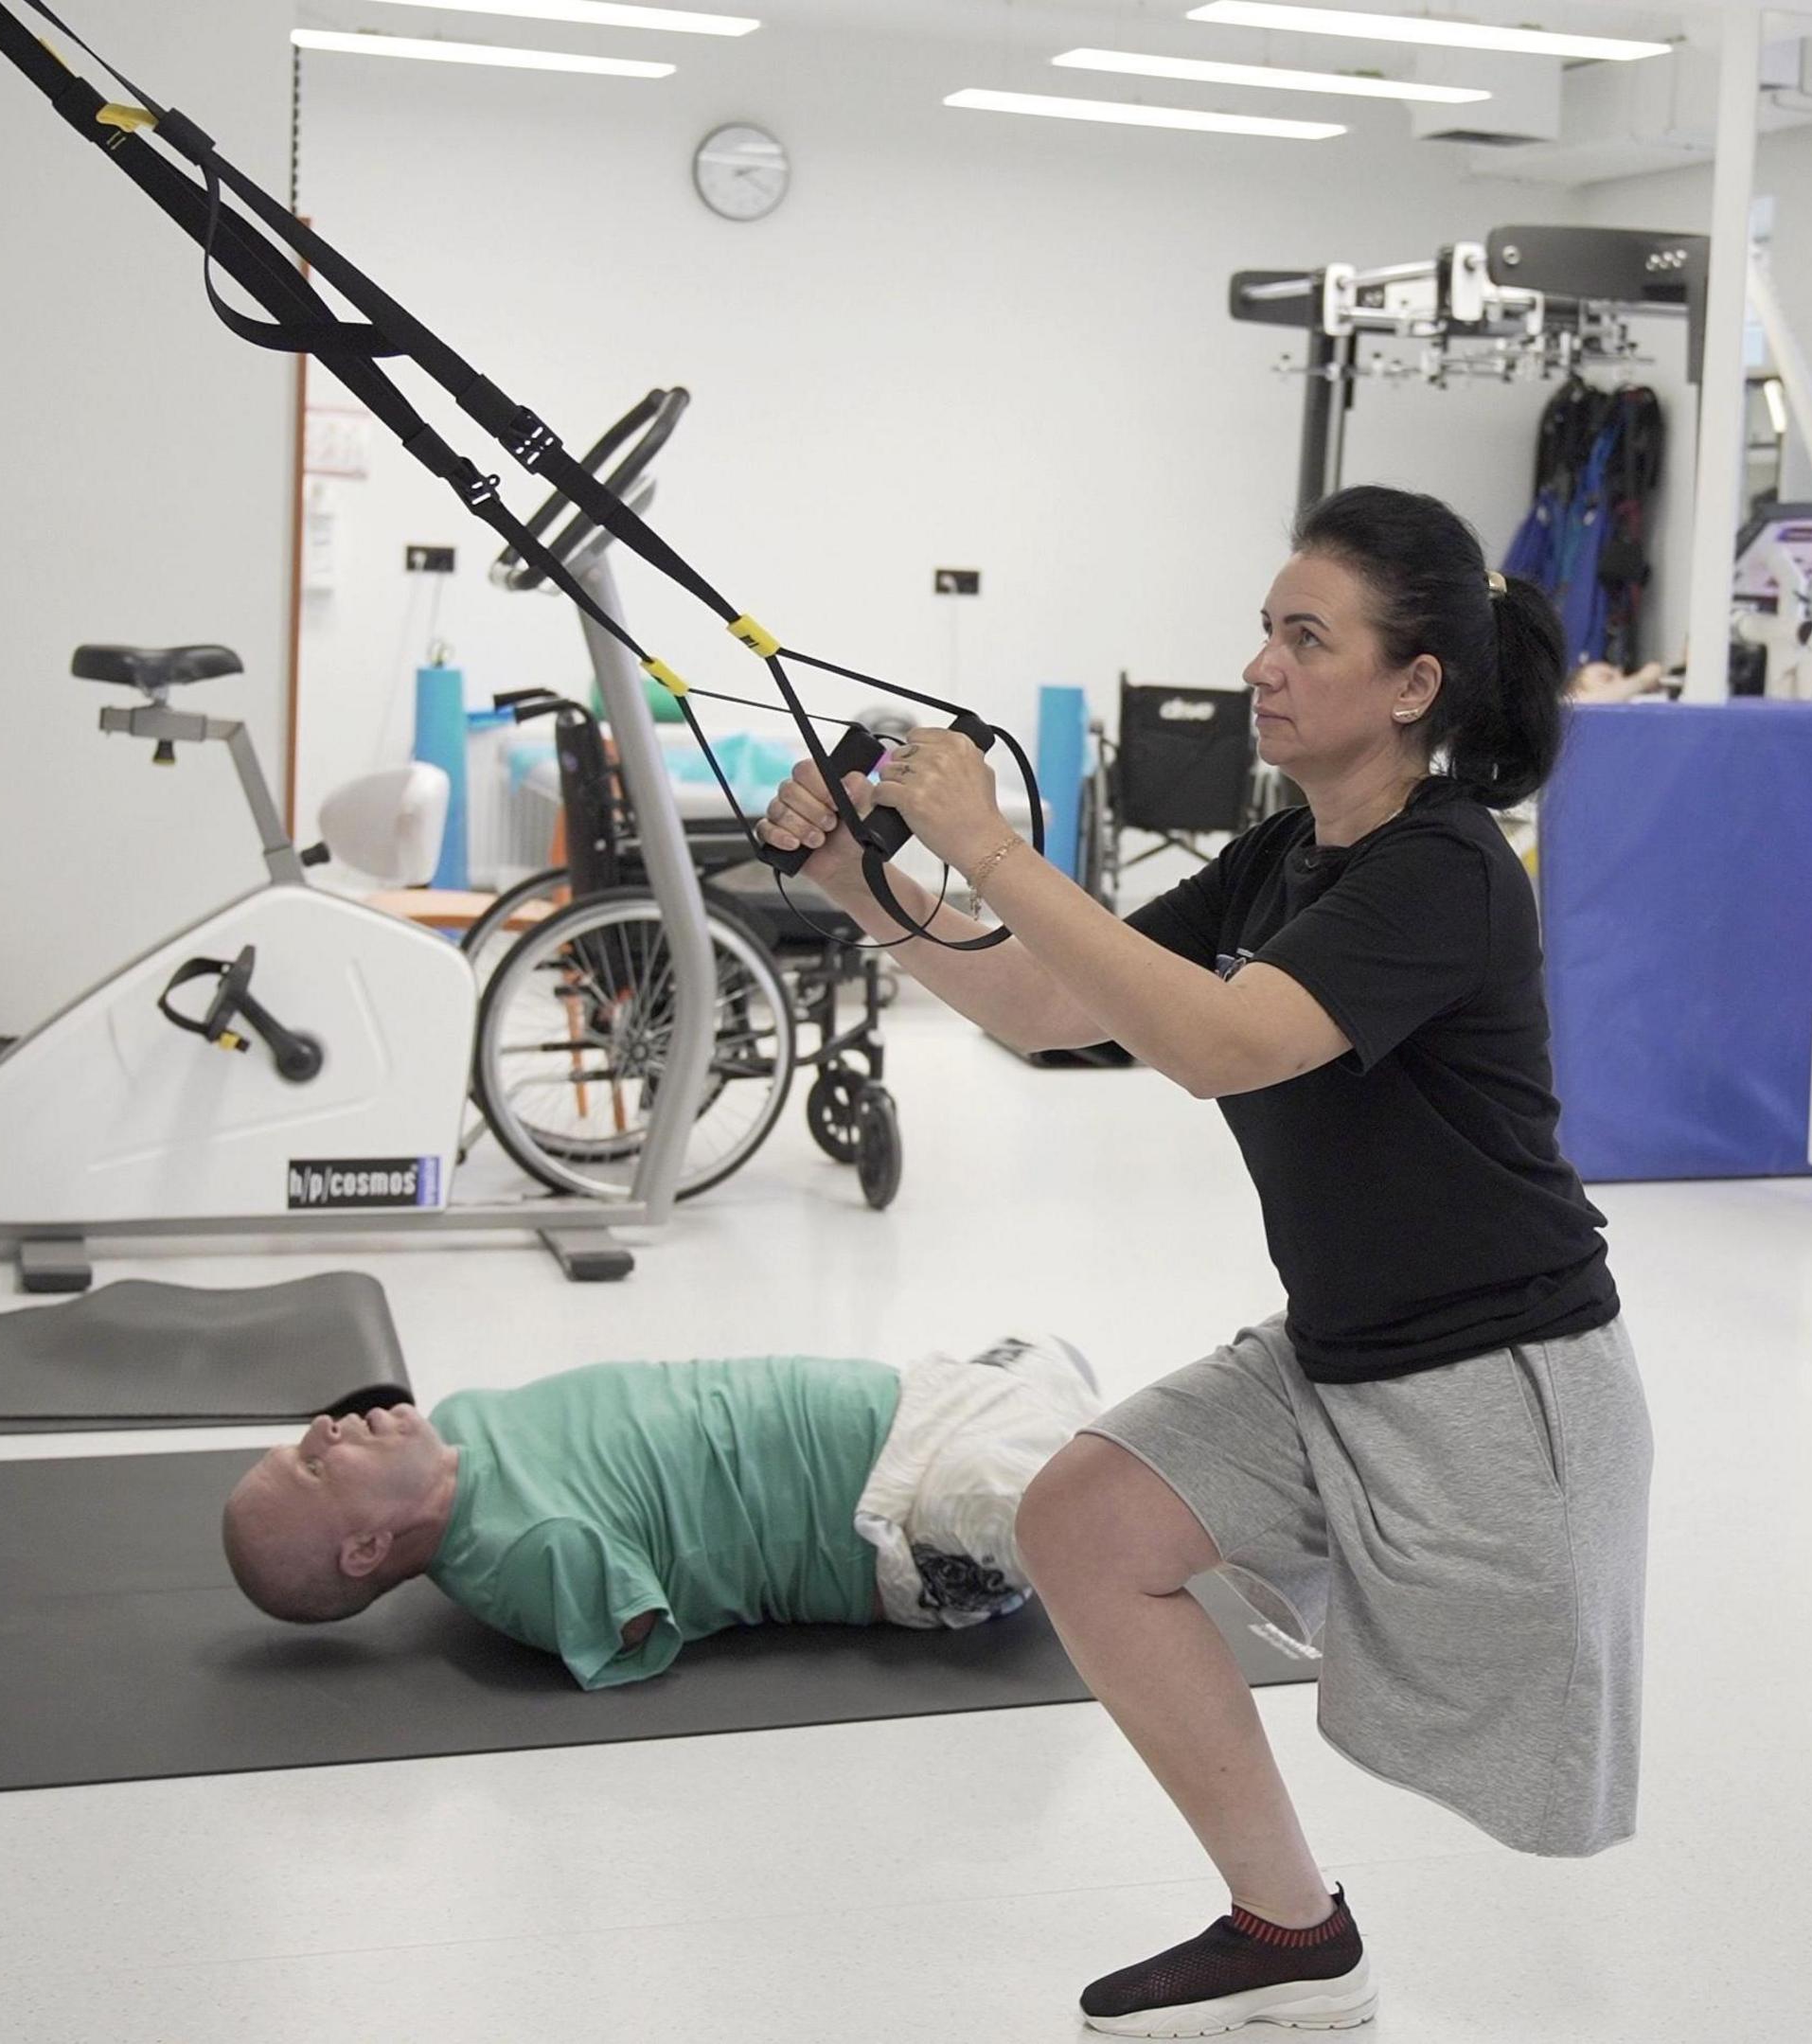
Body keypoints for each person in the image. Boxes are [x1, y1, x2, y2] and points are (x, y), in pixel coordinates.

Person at [759, 484, 1648, 2038]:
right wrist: (861, 877)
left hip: (1501, 1386)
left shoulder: (1445, 871)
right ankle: (1293, 1931)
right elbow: (1045, 1003)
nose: (1263, 666)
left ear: (1414, 682)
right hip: (1340, 1349)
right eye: (1265, 630)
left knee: (1510, 1744)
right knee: (1083, 1517)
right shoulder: (1284, 852)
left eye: (1307, 637)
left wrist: (990, 843)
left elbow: (1223, 1044)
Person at [221, 1335, 1099, 1685]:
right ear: (367, 1547)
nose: (327, 1428)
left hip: (914, 1396)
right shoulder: (529, 1553)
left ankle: (1083, 1457)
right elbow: (637, 1628)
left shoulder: (458, 1423)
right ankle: (1145, 1530)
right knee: (1051, 1509)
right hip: (897, 1515)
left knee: (1047, 1359)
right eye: (312, 1466)